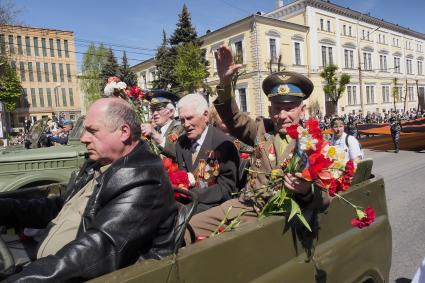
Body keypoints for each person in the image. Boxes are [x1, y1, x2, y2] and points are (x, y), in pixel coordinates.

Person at [0, 98, 178, 282]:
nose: (84, 138)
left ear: (124, 132)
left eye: (93, 131)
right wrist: (5, 208)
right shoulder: (98, 165)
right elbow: (59, 208)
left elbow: (99, 249)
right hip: (57, 267)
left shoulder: (143, 179)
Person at [185, 46, 330, 238]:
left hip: (280, 219)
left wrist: (305, 191)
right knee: (187, 229)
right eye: (277, 108)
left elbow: (325, 199)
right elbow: (233, 118)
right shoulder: (261, 130)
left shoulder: (315, 143)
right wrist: (225, 82)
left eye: (290, 108)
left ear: (302, 110)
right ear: (270, 111)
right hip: (246, 205)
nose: (283, 116)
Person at [175, 93, 240, 214]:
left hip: (213, 207)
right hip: (185, 203)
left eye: (190, 118)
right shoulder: (181, 142)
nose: (186, 124)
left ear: (205, 116)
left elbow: (227, 189)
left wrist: (192, 194)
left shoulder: (223, 144)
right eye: (182, 120)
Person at [141, 90, 183, 159]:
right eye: (152, 110)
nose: (155, 113)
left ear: (171, 112)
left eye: (159, 109)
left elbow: (176, 152)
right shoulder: (153, 129)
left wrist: (155, 135)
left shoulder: (179, 127)